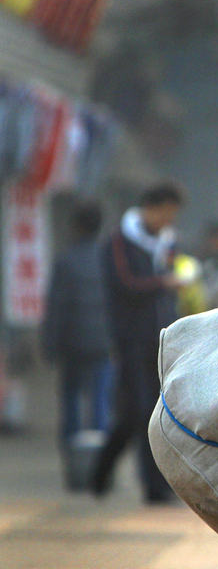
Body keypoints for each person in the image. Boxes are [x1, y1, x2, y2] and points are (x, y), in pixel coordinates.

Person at [91, 181, 184, 504]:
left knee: (144, 412)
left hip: (161, 339)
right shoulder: (118, 241)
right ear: (149, 209)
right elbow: (125, 283)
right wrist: (163, 283)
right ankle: (152, 487)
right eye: (165, 213)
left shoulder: (167, 242)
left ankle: (100, 475)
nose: (168, 221)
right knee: (144, 411)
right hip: (129, 339)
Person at [41, 200, 114, 490]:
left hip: (72, 347)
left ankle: (75, 471)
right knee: (100, 407)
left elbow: (56, 308)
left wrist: (49, 345)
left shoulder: (66, 261)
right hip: (104, 346)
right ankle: (100, 471)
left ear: (77, 226)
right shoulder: (108, 259)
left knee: (71, 406)